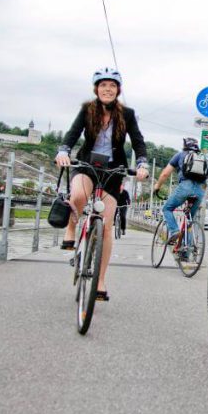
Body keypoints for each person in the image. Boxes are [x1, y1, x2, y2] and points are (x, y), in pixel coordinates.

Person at [55, 67, 149, 301]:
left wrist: (143, 164)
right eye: (103, 85)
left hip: (113, 170)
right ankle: (71, 228)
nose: (108, 89)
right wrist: (63, 151)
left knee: (106, 226)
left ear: (118, 90)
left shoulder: (127, 114)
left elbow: (138, 142)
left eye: (112, 85)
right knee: (77, 196)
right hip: (87, 164)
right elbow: (73, 133)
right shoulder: (87, 110)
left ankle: (100, 280)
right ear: (96, 89)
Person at [153, 137, 207, 245]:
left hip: (185, 187)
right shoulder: (203, 158)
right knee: (189, 220)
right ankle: (187, 252)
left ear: (185, 145)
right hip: (200, 190)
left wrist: (157, 186)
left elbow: (165, 174)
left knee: (167, 208)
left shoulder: (180, 155)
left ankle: (174, 231)